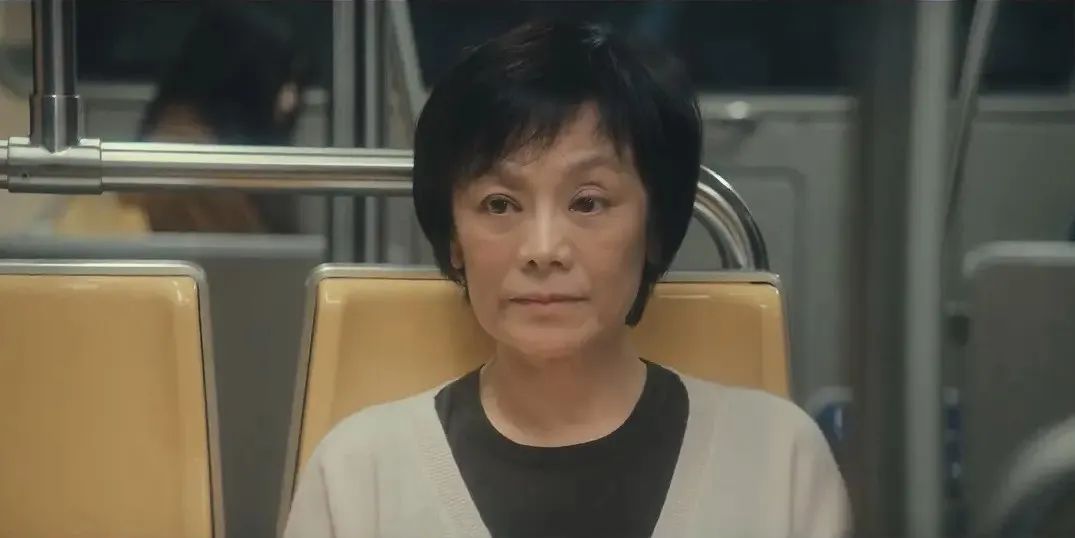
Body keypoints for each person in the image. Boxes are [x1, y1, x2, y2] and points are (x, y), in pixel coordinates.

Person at [284, 20, 849, 537]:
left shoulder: (779, 461)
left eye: (588, 202)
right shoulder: (359, 476)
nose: (543, 251)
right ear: (455, 239)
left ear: (654, 228)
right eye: (499, 204)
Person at [119, 3, 310, 233]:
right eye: (281, 77)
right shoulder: (195, 166)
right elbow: (264, 250)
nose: (290, 100)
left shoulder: (193, 142)